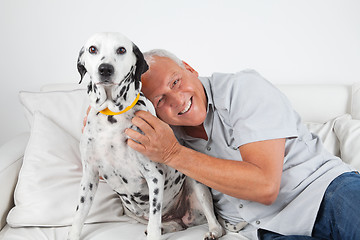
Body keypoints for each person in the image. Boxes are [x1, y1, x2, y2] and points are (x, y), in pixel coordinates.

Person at [87, 49, 360, 239]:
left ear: (190, 68)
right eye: (160, 100)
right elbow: (105, 164)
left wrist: (172, 153)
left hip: (326, 193)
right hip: (266, 231)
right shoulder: (159, 131)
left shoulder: (244, 89)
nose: (177, 99)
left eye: (176, 81)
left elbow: (265, 187)